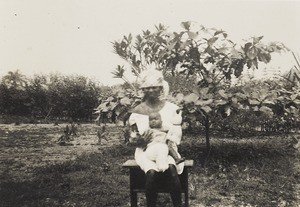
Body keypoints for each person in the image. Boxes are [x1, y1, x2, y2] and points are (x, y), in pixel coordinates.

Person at [128, 68, 184, 207]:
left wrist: (169, 139)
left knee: (171, 169)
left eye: (154, 87)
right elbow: (131, 137)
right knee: (152, 173)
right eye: (147, 88)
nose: (151, 91)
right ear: (143, 90)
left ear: (160, 88)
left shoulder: (172, 109)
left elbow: (176, 133)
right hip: (145, 152)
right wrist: (138, 141)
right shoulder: (137, 111)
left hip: (166, 149)